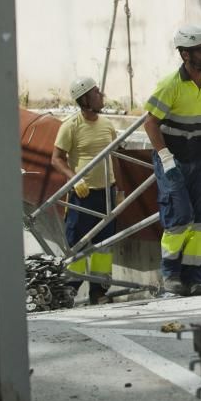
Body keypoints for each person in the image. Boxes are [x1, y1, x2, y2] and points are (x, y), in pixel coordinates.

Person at [144, 25, 201, 296]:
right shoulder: (170, 84)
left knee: (198, 220)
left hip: (198, 157)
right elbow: (150, 124)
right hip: (173, 159)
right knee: (179, 214)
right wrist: (166, 160)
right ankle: (171, 275)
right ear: (185, 55)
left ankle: (196, 278)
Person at [51, 77, 118, 305]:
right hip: (82, 196)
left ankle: (98, 292)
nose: (101, 95)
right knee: (77, 244)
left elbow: (115, 157)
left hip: (106, 194)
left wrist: (119, 188)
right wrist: (74, 179)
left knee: (103, 245)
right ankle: (69, 289)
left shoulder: (108, 125)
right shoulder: (70, 126)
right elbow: (57, 159)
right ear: (85, 99)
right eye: (96, 92)